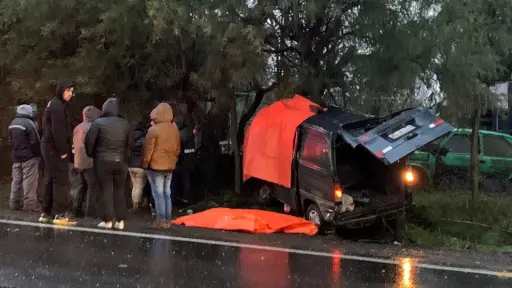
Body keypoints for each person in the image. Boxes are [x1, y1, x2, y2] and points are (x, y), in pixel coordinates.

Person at [85, 98, 131, 230]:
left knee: (106, 190)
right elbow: (130, 144)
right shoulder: (125, 124)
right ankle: (120, 220)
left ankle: (108, 220)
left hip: (103, 161)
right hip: (121, 161)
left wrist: (93, 154)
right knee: (120, 190)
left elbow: (89, 142)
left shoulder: (98, 123)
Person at [39, 79, 76, 225]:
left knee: (50, 178)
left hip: (48, 147)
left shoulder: (53, 104)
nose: (70, 94)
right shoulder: (58, 107)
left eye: (72, 92)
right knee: (61, 180)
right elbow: (58, 130)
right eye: (68, 91)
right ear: (61, 90)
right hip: (55, 148)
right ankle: (59, 214)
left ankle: (46, 212)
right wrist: (63, 149)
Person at [142, 103, 180, 229]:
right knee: (166, 192)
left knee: (158, 193)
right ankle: (168, 221)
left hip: (156, 166)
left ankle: (160, 220)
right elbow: (178, 149)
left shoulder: (153, 130)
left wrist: (145, 164)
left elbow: (148, 150)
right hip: (170, 166)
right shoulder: (175, 129)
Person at [8, 104, 41, 212]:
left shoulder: (13, 123)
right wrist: (37, 154)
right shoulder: (29, 124)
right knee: (29, 182)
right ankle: (29, 205)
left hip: (16, 157)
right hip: (29, 157)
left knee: (16, 181)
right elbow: (35, 141)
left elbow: (10, 141)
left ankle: (14, 203)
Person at [71, 106, 101, 218]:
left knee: (82, 186)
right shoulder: (94, 127)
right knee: (92, 187)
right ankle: (90, 212)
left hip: (78, 162)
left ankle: (76, 209)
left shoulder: (77, 128)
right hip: (90, 162)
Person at [128, 121, 147, 211]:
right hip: (140, 165)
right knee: (139, 186)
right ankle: (137, 205)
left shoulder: (130, 138)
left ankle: (133, 204)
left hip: (131, 165)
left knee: (134, 186)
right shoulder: (144, 139)